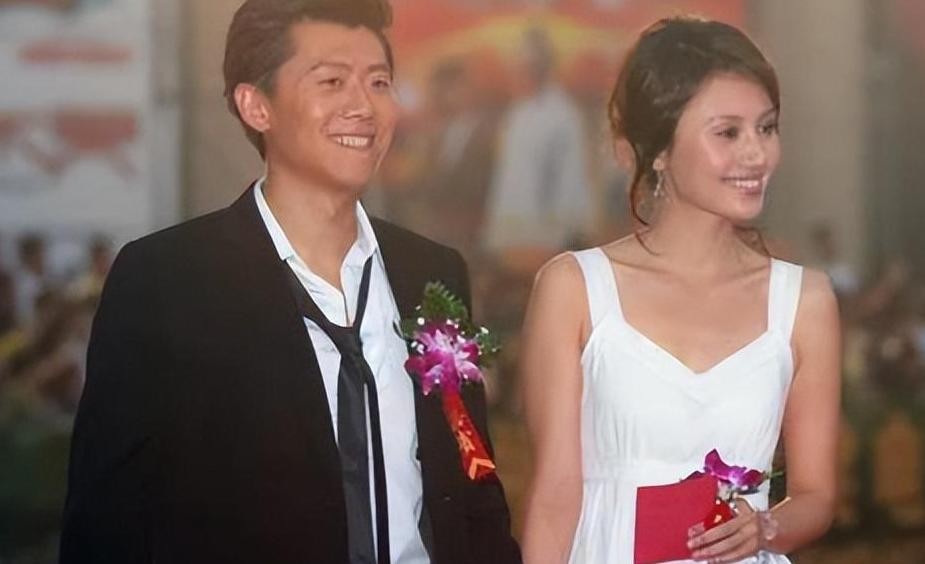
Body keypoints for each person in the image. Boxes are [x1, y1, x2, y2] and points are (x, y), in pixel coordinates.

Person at [60, 1, 520, 563]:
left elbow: (474, 487)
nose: (364, 106)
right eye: (332, 81)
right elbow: (106, 520)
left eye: (379, 82)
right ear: (255, 105)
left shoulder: (431, 272)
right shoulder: (167, 282)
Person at [520, 17, 840, 564]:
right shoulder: (574, 288)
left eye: (766, 128)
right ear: (660, 149)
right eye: (728, 133)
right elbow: (554, 498)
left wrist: (764, 526)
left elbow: (816, 496)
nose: (756, 155)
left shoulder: (804, 301)